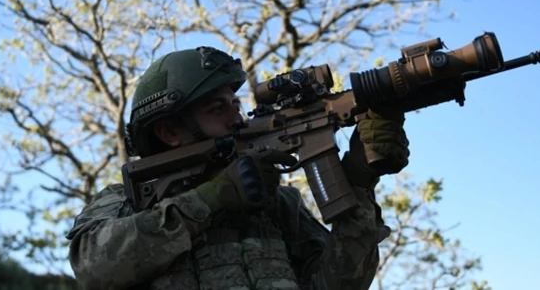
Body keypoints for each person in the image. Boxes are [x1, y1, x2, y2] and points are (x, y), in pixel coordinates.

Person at [66, 46, 411, 290]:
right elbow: (95, 267)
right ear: (170, 132)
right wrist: (211, 199)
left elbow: (342, 284)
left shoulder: (277, 207)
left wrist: (361, 182)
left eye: (235, 104)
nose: (238, 118)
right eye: (218, 109)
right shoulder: (124, 203)